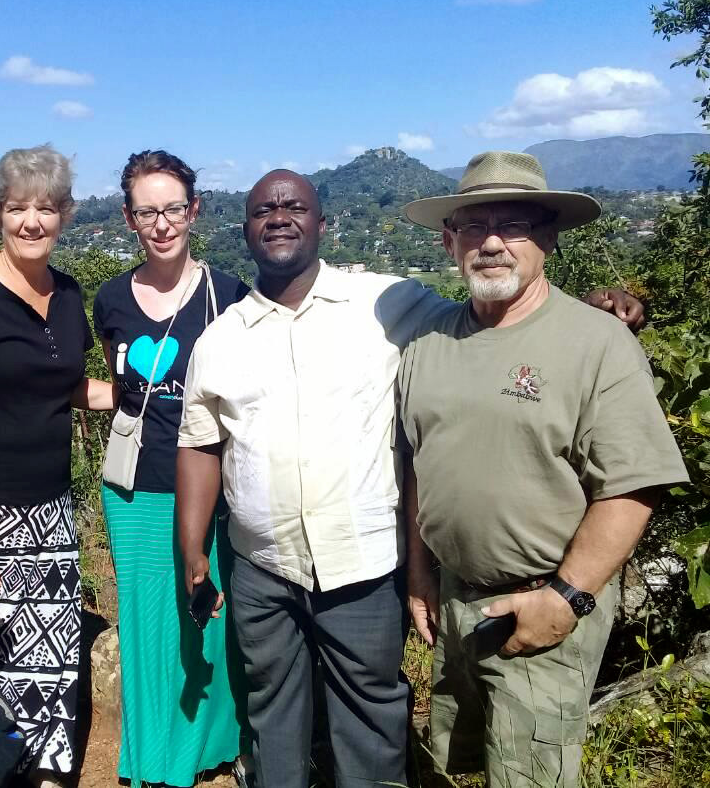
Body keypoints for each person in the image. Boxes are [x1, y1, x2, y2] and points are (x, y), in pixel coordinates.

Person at [175, 168, 647, 788]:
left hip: (363, 565)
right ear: (244, 230)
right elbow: (200, 444)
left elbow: (497, 314)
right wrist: (193, 552)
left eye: (295, 206)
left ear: (324, 222)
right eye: (264, 210)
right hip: (264, 565)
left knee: (371, 711)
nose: (280, 217)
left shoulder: (388, 302)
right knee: (271, 705)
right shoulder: (220, 339)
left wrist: (588, 310)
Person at [398, 151, 689, 787]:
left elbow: (633, 484)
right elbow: (420, 465)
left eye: (515, 225)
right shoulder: (430, 343)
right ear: (451, 242)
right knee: (466, 759)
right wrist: (422, 575)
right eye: (475, 226)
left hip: (546, 599)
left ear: (548, 239)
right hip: (455, 596)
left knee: (532, 775)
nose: (493, 243)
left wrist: (566, 596)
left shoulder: (597, 342)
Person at [0, 145, 117, 787]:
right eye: (17, 208)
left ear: (64, 214)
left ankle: (44, 777)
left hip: (53, 512)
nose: (31, 221)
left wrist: (155, 391)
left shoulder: (68, 296)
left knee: (55, 663)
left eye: (44, 207)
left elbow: (65, 389)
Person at [92, 150, 250, 787]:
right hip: (133, 487)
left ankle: (206, 749)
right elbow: (119, 386)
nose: (161, 224)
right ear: (129, 218)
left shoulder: (230, 296)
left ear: (195, 211)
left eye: (173, 209)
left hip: (208, 485)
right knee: (145, 623)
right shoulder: (110, 299)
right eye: (146, 212)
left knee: (206, 619)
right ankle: (150, 755)